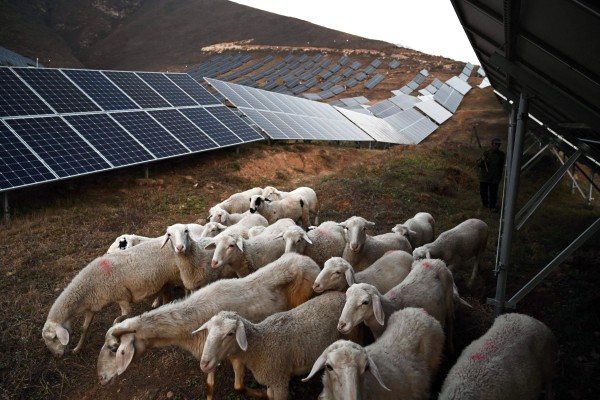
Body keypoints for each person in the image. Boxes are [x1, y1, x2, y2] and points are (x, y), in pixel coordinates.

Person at [477, 137, 505, 212]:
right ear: (492, 144)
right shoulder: (486, 153)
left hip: (494, 178)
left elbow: (501, 166)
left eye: (499, 144)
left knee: (493, 193)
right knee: (483, 192)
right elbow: (478, 164)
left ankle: (492, 206)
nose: (497, 146)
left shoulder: (501, 155)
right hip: (485, 177)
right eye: (496, 144)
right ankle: (485, 204)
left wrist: (499, 176)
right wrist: (483, 161)